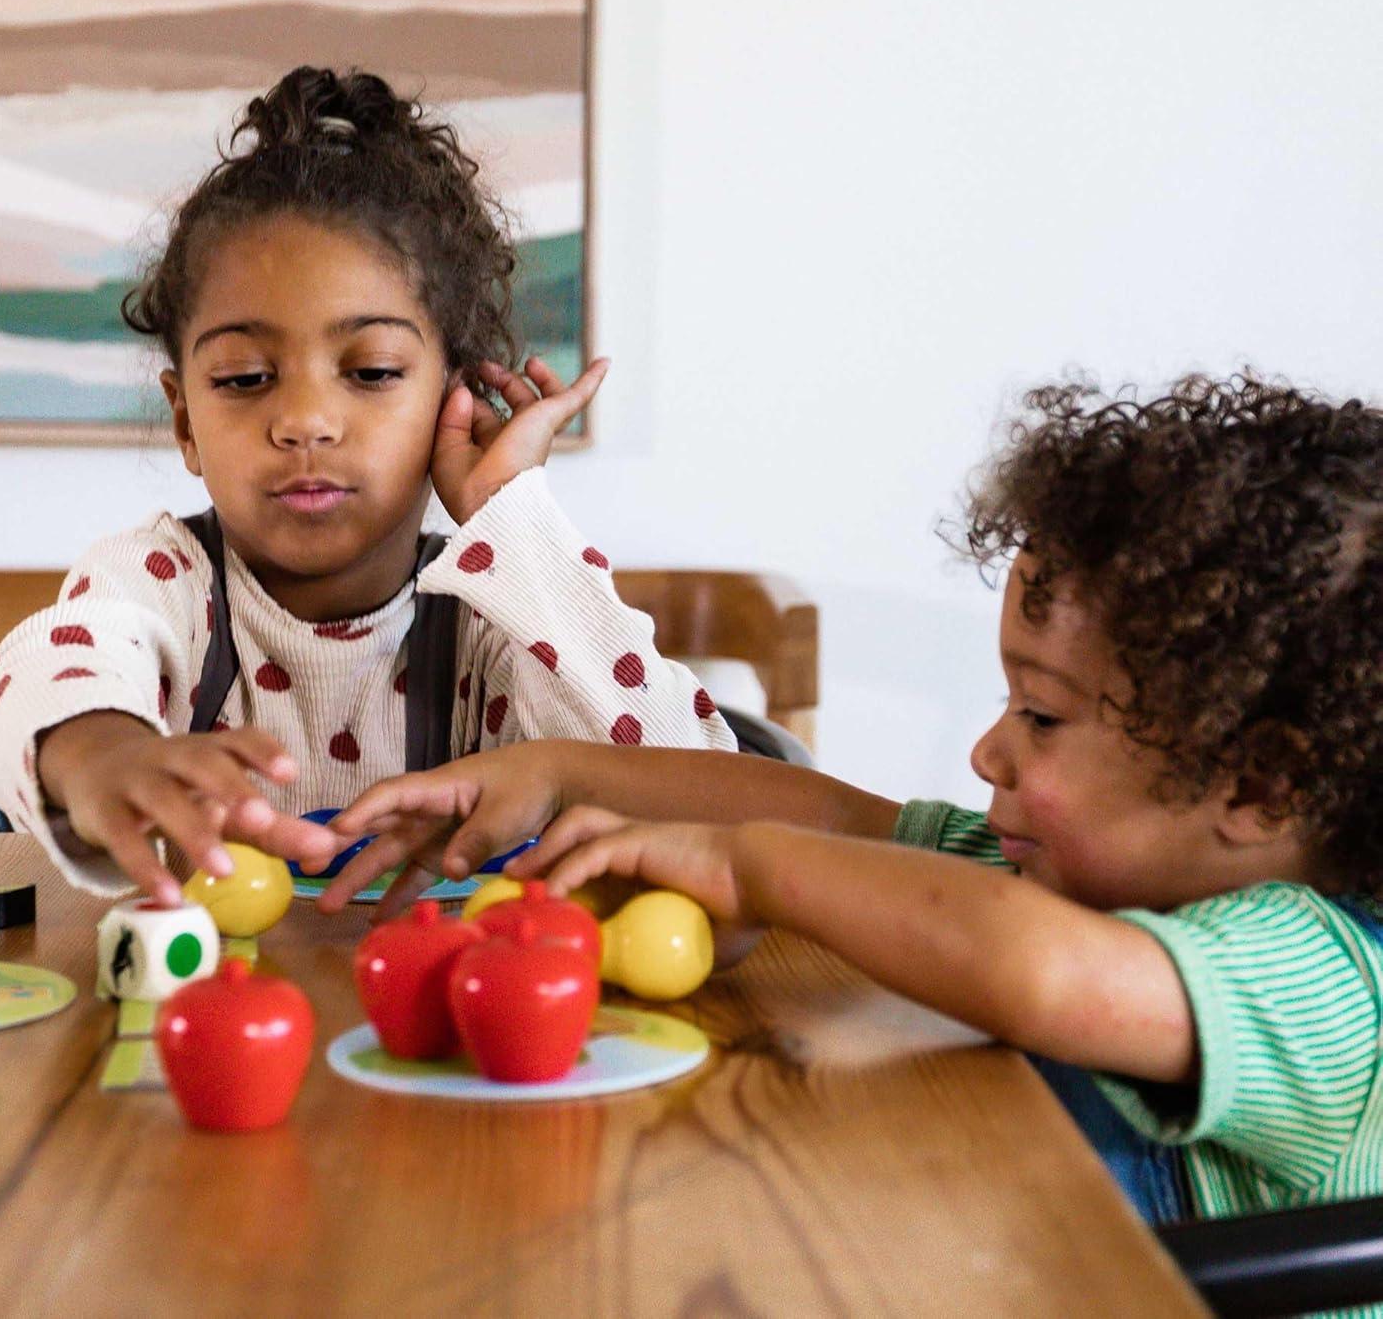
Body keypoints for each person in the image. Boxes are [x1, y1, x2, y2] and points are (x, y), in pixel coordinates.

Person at [314, 374, 1383, 1222]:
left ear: (1258, 783)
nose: (987, 750)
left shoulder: (1326, 978)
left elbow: (1040, 973)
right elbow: (828, 813)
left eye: (1044, 718)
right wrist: (560, 773)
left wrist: (752, 874)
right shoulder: (1075, 881)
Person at [0, 65, 734, 906]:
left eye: (372, 370)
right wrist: (102, 752)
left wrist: (511, 519)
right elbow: (34, 682)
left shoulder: (496, 613)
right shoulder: (159, 580)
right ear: (184, 422)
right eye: (247, 378)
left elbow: (699, 787)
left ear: (450, 402)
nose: (305, 421)